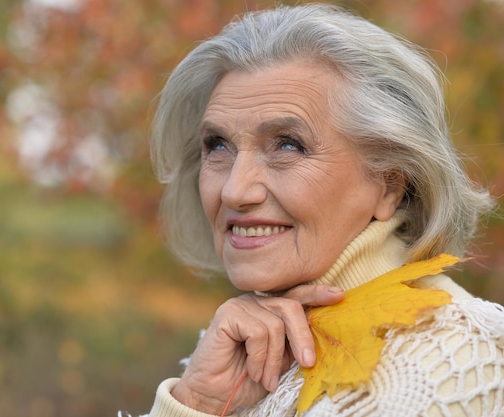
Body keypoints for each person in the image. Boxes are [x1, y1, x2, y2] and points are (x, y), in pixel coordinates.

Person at [141, 3, 504, 416]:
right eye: (218, 145)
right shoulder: (238, 347)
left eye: (287, 145)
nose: (234, 190)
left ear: (388, 184)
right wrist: (196, 404)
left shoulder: (454, 367)